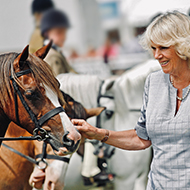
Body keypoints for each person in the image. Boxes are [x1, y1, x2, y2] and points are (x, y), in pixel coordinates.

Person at [72, 11, 190, 189]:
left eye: (163, 48)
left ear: (183, 46)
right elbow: (141, 138)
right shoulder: (153, 81)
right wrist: (98, 133)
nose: (156, 55)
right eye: (153, 48)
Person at [40, 8, 76, 76]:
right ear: (46, 34)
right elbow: (59, 82)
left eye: (64, 33)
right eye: (59, 33)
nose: (63, 37)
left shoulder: (56, 51)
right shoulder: (52, 56)